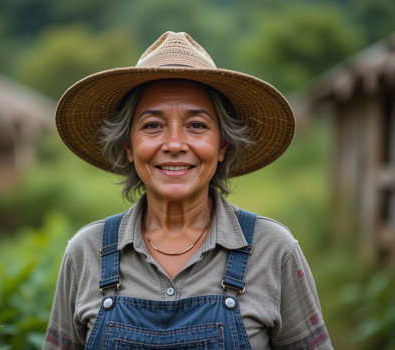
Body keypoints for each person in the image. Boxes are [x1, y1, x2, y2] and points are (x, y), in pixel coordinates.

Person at [44, 31, 332, 349]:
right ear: (128, 147)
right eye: (152, 125)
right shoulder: (86, 253)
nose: (175, 145)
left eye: (197, 125)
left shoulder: (273, 251)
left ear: (222, 145)